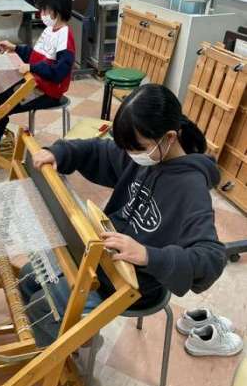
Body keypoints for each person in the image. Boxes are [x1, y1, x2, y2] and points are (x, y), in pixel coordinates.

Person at [19, 84, 227, 347]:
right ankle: (49, 341)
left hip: (132, 283)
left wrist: (148, 255)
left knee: (46, 307)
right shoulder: (147, 153)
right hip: (99, 257)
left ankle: (64, 351)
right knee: (29, 277)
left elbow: (212, 258)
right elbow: (97, 150)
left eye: (138, 147)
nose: (131, 155)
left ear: (170, 137)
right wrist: (59, 152)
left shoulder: (191, 188)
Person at [0, 0, 75, 146]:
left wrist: (32, 68)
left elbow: (58, 73)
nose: (42, 14)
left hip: (48, 93)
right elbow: (36, 55)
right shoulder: (50, 30)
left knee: (3, 104)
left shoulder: (65, 37)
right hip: (35, 82)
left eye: (45, 10)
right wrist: (15, 48)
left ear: (57, 9)